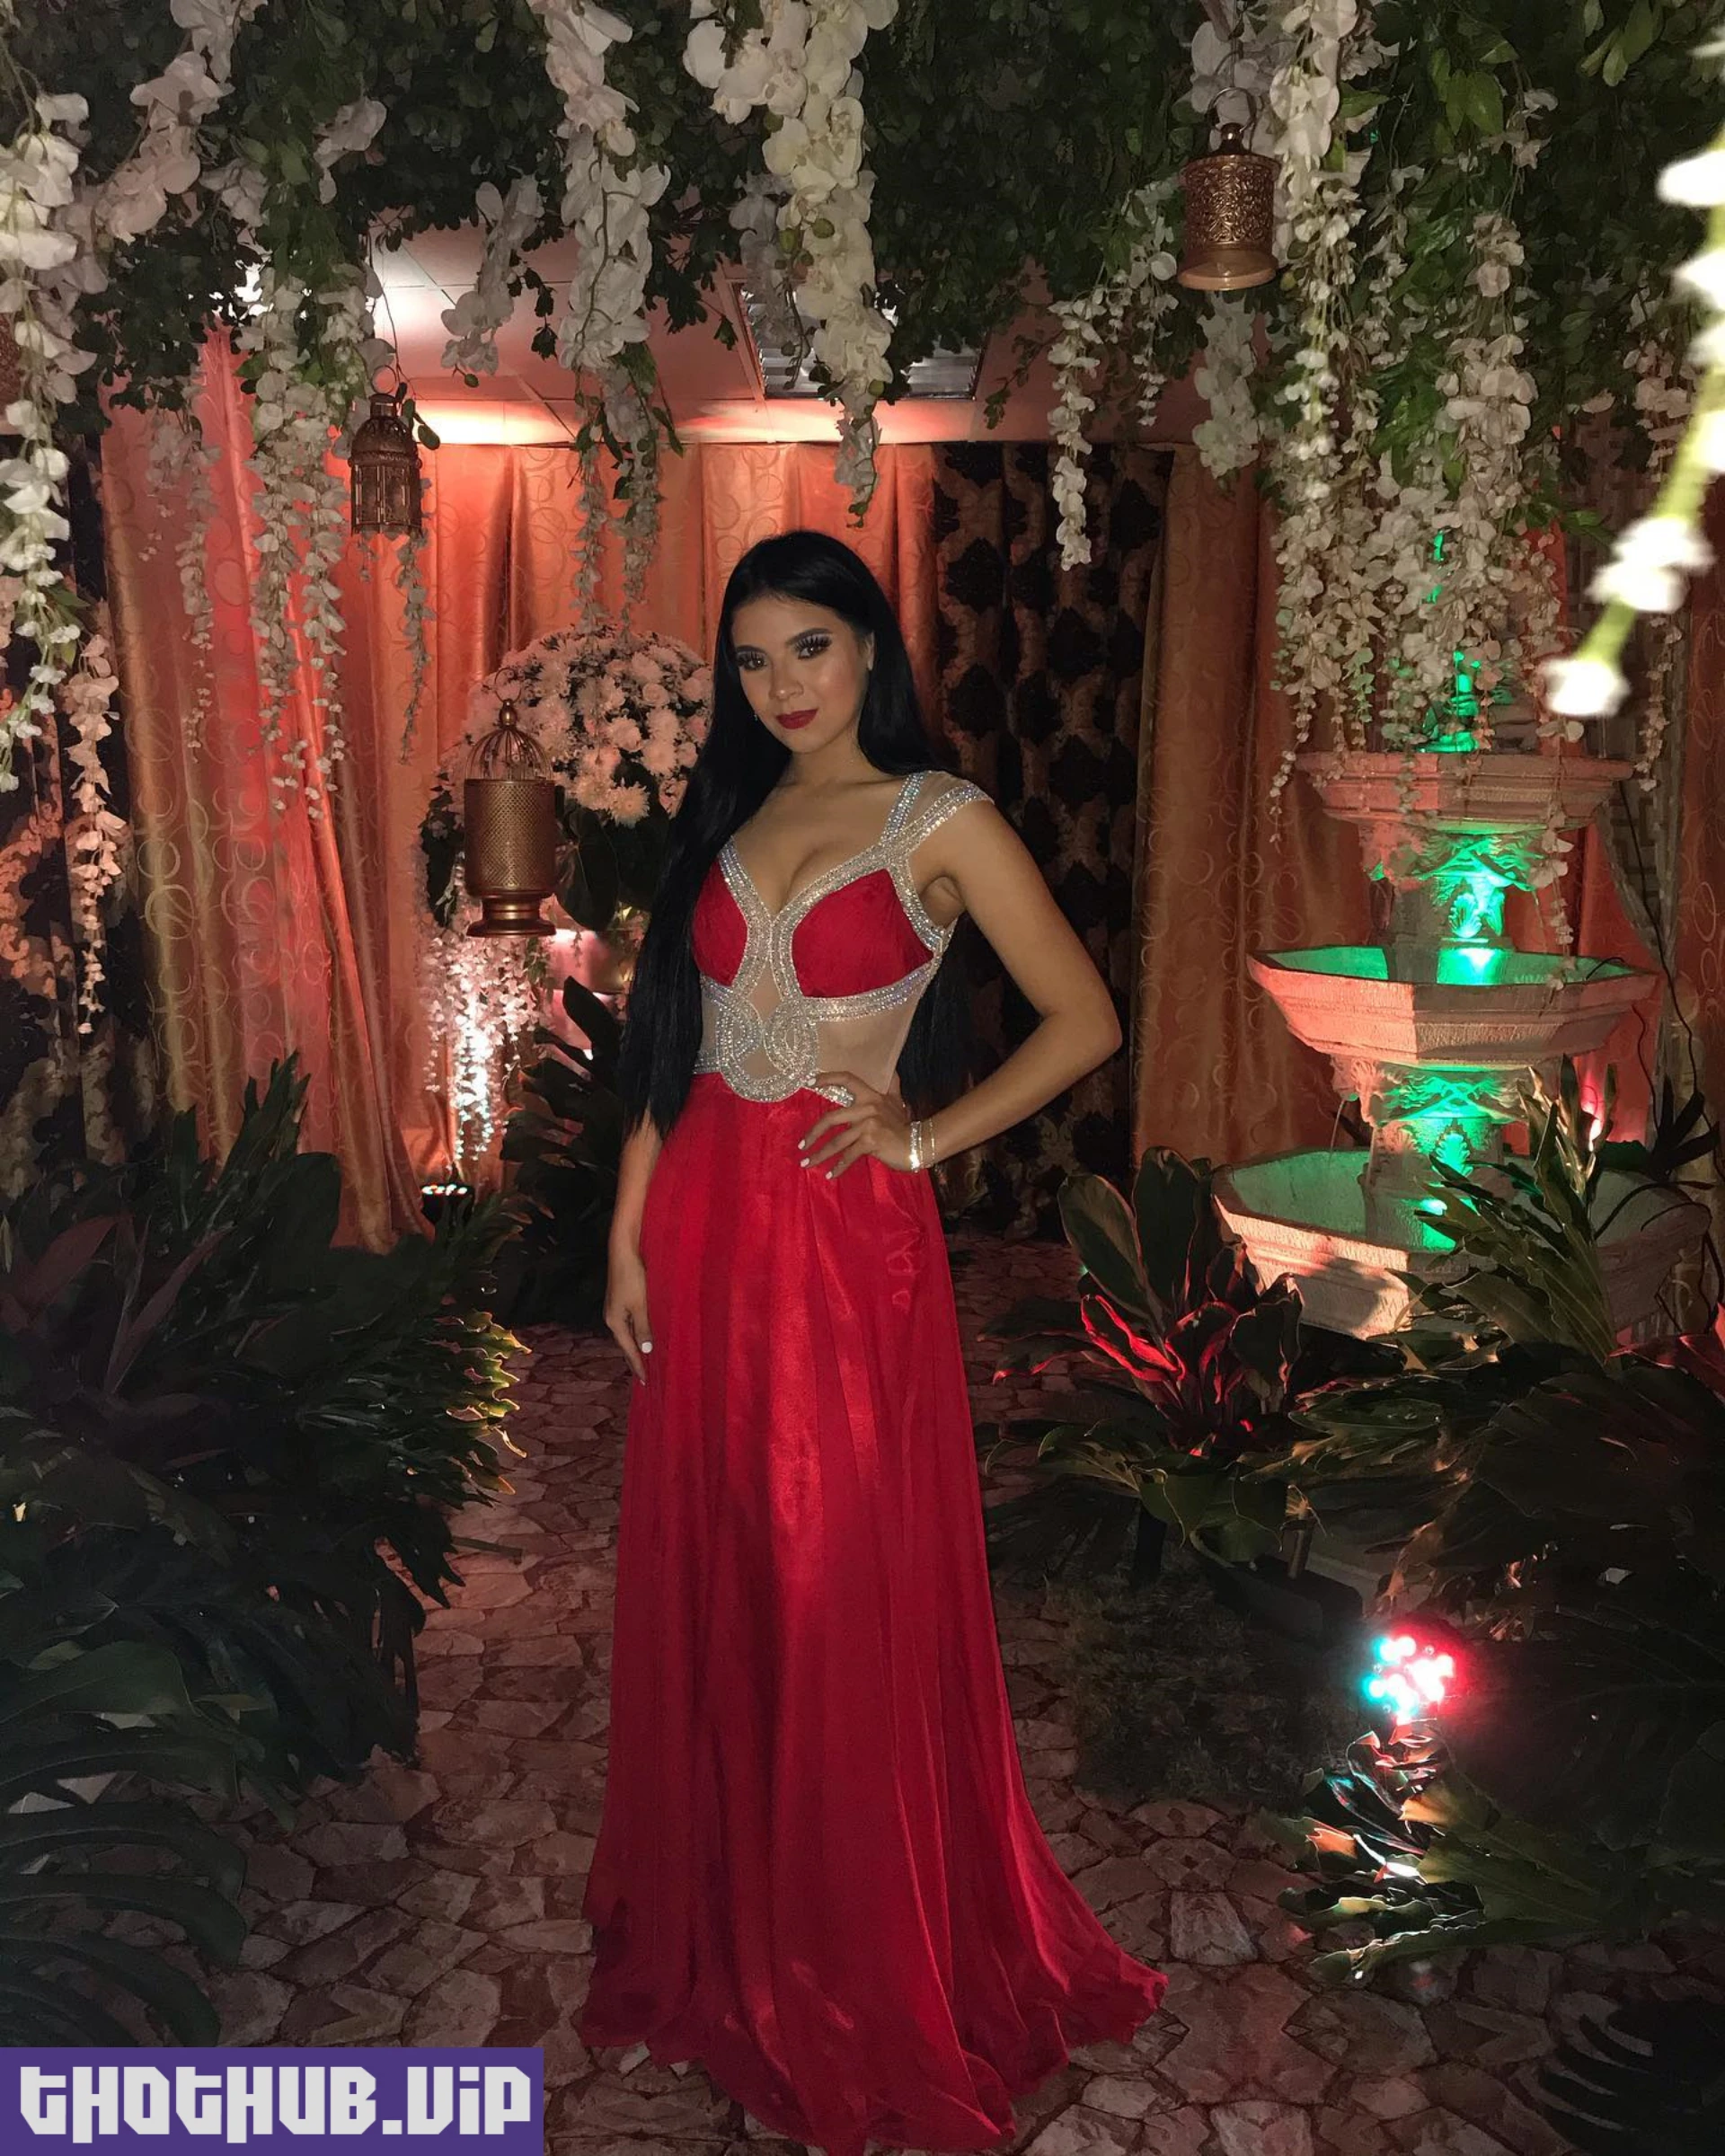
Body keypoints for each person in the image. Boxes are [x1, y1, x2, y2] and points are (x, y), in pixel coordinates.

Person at [577, 530, 1165, 2153]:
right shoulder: (726, 817)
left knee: (833, 1576)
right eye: (753, 658)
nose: (782, 685)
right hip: (706, 1225)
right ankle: (731, 1925)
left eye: (810, 649)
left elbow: (1086, 1020)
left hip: (843, 1243)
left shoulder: (938, 817)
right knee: (723, 1564)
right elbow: (676, 1049)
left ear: (869, 650)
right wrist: (626, 1231)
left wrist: (924, 1137)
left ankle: (849, 1956)